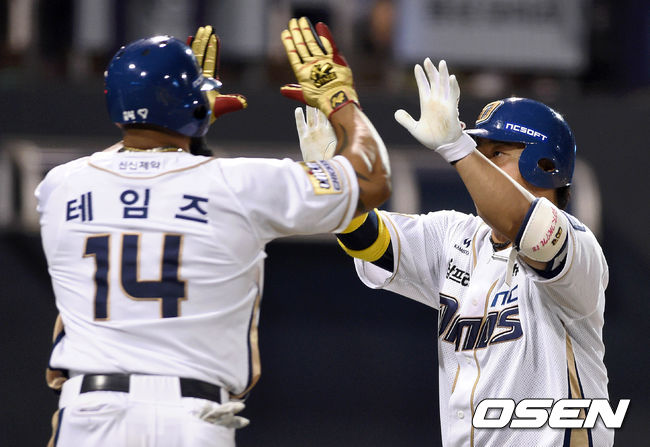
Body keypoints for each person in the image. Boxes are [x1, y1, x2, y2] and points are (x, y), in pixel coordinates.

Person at [37, 18, 390, 447]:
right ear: (192, 105)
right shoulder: (238, 184)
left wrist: (185, 120)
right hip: (191, 417)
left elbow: (138, 165)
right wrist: (340, 100)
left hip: (90, 411)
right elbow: (372, 178)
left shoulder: (60, 185)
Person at [293, 59, 613, 446]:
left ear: (543, 165)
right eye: (478, 151)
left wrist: (457, 146)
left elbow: (520, 220)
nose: (477, 163)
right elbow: (368, 239)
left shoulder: (576, 244)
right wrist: (339, 183)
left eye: (496, 153)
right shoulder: (455, 235)